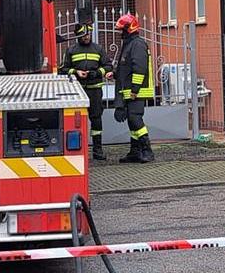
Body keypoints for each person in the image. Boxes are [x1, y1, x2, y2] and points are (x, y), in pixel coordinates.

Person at [57, 24, 108, 160]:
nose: (86, 37)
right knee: (76, 121)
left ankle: (97, 150)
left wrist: (97, 73)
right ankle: (78, 151)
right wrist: (76, 72)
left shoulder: (98, 49)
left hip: (95, 90)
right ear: (78, 36)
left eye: (88, 34)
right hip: (78, 91)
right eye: (84, 35)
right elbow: (63, 69)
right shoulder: (71, 50)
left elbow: (108, 66)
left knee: (96, 119)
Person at [113, 13, 155, 163]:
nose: (120, 33)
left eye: (122, 30)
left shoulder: (137, 44)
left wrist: (135, 90)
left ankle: (147, 150)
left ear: (129, 29)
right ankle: (135, 151)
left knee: (135, 119)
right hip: (130, 91)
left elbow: (139, 69)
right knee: (131, 121)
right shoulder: (129, 44)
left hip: (136, 91)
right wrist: (114, 74)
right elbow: (126, 68)